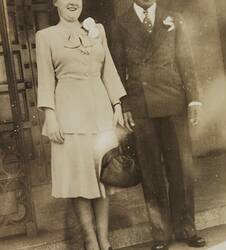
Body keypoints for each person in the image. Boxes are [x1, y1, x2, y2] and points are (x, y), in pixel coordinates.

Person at [110, 0, 206, 249]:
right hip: (141, 105)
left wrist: (194, 98)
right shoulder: (121, 23)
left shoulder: (172, 17)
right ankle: (160, 235)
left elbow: (186, 59)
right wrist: (125, 105)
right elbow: (118, 69)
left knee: (182, 169)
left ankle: (187, 228)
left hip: (174, 100)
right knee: (151, 172)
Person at [36, 0, 126, 249]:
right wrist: (50, 116)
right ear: (56, 2)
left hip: (100, 114)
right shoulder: (46, 37)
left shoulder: (96, 30)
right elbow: (44, 78)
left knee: (103, 179)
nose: (72, 2)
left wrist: (117, 105)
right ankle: (90, 240)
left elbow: (108, 69)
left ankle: (104, 240)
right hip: (69, 115)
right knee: (79, 180)